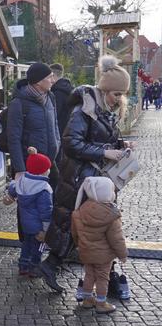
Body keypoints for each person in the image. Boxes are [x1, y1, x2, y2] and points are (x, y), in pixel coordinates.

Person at [39, 55, 134, 292]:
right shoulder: (85, 110)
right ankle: (54, 265)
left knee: (97, 225)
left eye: (122, 95)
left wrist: (122, 146)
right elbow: (71, 144)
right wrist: (106, 153)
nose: (119, 99)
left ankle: (103, 276)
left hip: (94, 179)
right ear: (105, 90)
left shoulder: (104, 110)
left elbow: (103, 139)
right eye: (116, 94)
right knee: (81, 225)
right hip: (79, 178)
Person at [71, 176, 127, 314]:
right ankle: (101, 302)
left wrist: (79, 245)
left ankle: (87, 300)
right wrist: (123, 255)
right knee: (102, 277)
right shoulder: (111, 215)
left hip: (85, 251)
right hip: (103, 255)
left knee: (89, 275)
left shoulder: (80, 210)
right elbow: (117, 239)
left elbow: (75, 233)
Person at [7, 62, 61, 189]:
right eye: (49, 77)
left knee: (52, 203)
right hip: (30, 165)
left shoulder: (50, 97)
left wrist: (57, 145)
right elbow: (13, 138)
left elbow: (55, 124)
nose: (53, 80)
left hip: (50, 163)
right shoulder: (19, 103)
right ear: (38, 82)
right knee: (30, 205)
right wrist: (20, 169)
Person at [5, 147, 53, 277]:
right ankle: (34, 268)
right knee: (39, 247)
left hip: (25, 224)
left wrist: (9, 195)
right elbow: (46, 212)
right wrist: (46, 230)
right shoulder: (43, 190)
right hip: (38, 226)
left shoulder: (21, 181)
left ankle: (23, 266)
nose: (49, 170)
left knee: (26, 245)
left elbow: (12, 187)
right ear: (43, 172)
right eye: (47, 168)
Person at [50, 63, 73, 137]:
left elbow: (55, 114)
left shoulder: (57, 92)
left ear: (53, 75)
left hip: (59, 131)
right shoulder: (69, 88)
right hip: (69, 130)